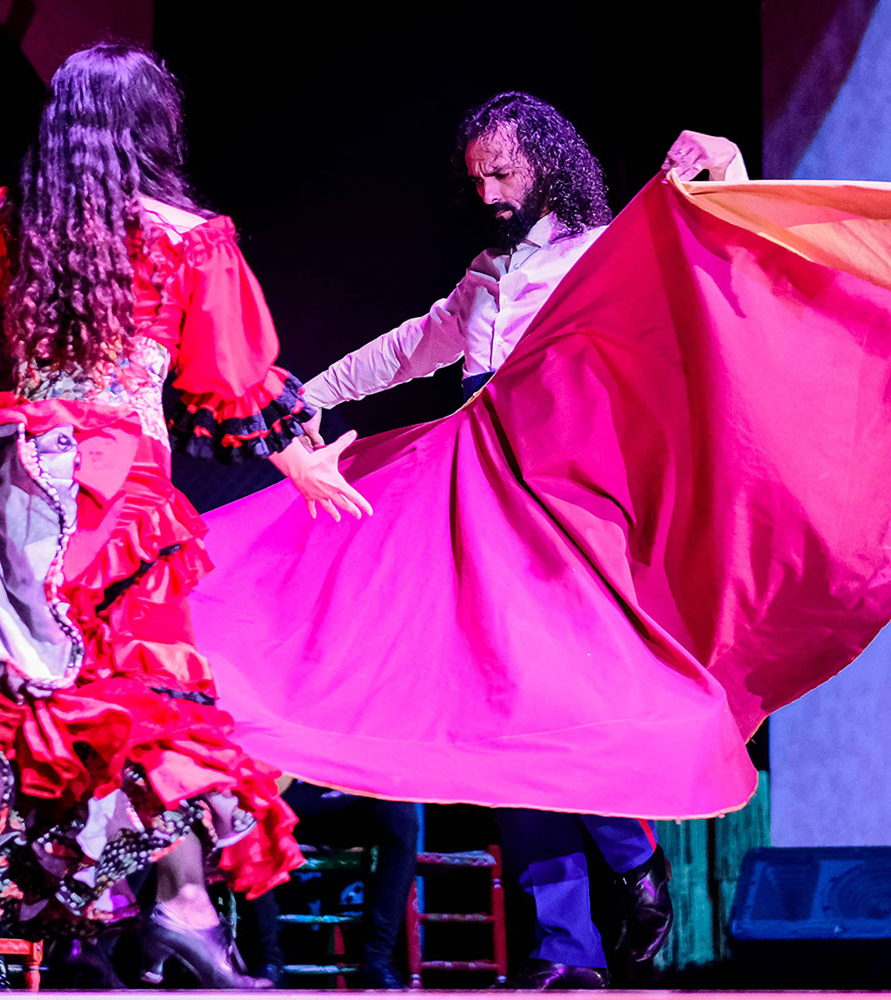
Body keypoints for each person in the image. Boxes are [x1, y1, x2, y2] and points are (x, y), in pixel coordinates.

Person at [0, 43, 370, 989]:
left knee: (66, 710)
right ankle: (177, 909)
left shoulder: (21, 221)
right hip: (120, 497)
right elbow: (232, 382)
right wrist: (297, 460)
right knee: (149, 700)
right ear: (153, 129)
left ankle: (101, 932)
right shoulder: (187, 238)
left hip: (24, 487)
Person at [295, 92, 698, 989]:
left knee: (565, 695)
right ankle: (567, 950)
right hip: (480, 497)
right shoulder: (484, 274)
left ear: (545, 164)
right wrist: (307, 396)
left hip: (566, 491)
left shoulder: (601, 252)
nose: (488, 193)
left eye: (503, 173)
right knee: (511, 720)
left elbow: (694, 252)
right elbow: (412, 348)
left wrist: (725, 169)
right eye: (476, 178)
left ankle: (632, 858)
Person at [239, 783, 418, 989]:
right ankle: (267, 962)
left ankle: (377, 961)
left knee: (402, 816)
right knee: (251, 809)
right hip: (289, 792)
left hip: (354, 793)